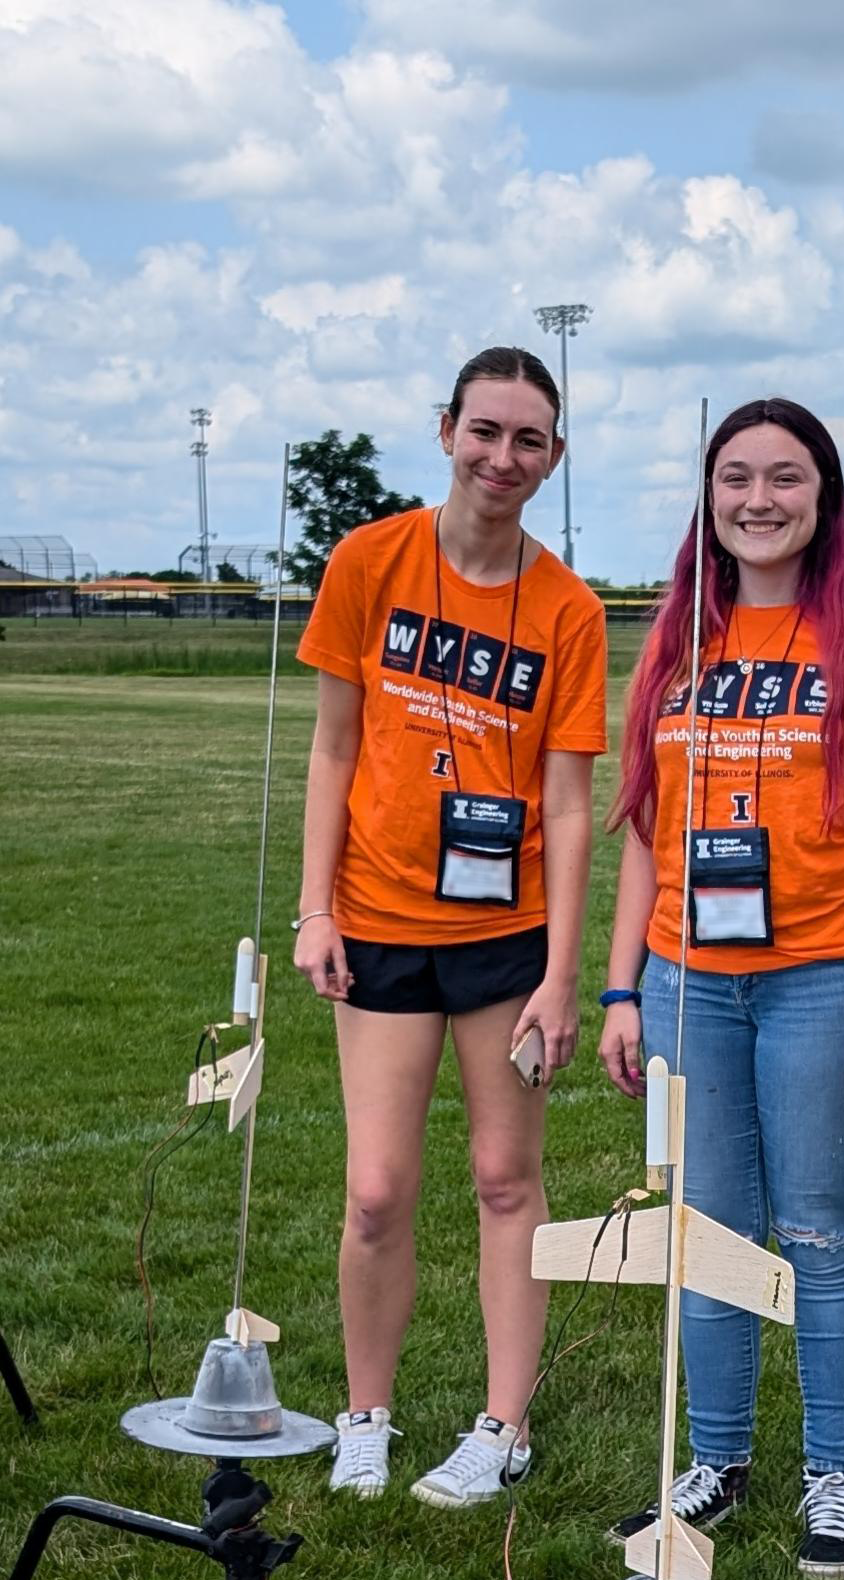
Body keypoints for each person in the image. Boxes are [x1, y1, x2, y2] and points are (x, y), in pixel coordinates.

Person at [599, 397, 844, 1580]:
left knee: (823, 1230)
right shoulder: (675, 639)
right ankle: (719, 1458)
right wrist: (620, 988)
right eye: (735, 476)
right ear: (708, 495)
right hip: (692, 981)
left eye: (784, 477)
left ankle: (832, 1472)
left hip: (822, 978)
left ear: (824, 493)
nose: (758, 498)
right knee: (710, 1231)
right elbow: (643, 827)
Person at [293, 345, 606, 1505]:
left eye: (529, 439)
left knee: (502, 1179)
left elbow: (570, 805)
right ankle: (365, 1413)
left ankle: (502, 1424)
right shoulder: (370, 561)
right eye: (486, 431)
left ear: (554, 456)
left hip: (503, 937)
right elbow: (334, 746)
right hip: (377, 922)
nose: (503, 457)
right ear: (446, 431)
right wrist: (316, 906)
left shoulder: (567, 610)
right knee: (375, 1189)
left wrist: (562, 973)